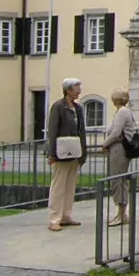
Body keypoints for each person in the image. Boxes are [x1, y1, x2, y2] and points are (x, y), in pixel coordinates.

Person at [45, 78, 87, 231]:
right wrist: (52, 153)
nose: (79, 90)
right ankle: (54, 218)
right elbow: (53, 130)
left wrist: (83, 151)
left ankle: (66, 215)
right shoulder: (58, 107)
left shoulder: (78, 108)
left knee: (70, 185)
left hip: (75, 151)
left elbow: (82, 131)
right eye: (77, 87)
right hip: (61, 151)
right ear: (68, 90)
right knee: (58, 186)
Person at [101, 88, 137, 226]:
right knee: (118, 179)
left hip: (119, 149)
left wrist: (105, 144)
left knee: (117, 179)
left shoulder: (122, 112)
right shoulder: (123, 111)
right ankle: (121, 213)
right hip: (117, 148)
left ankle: (121, 214)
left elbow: (116, 132)